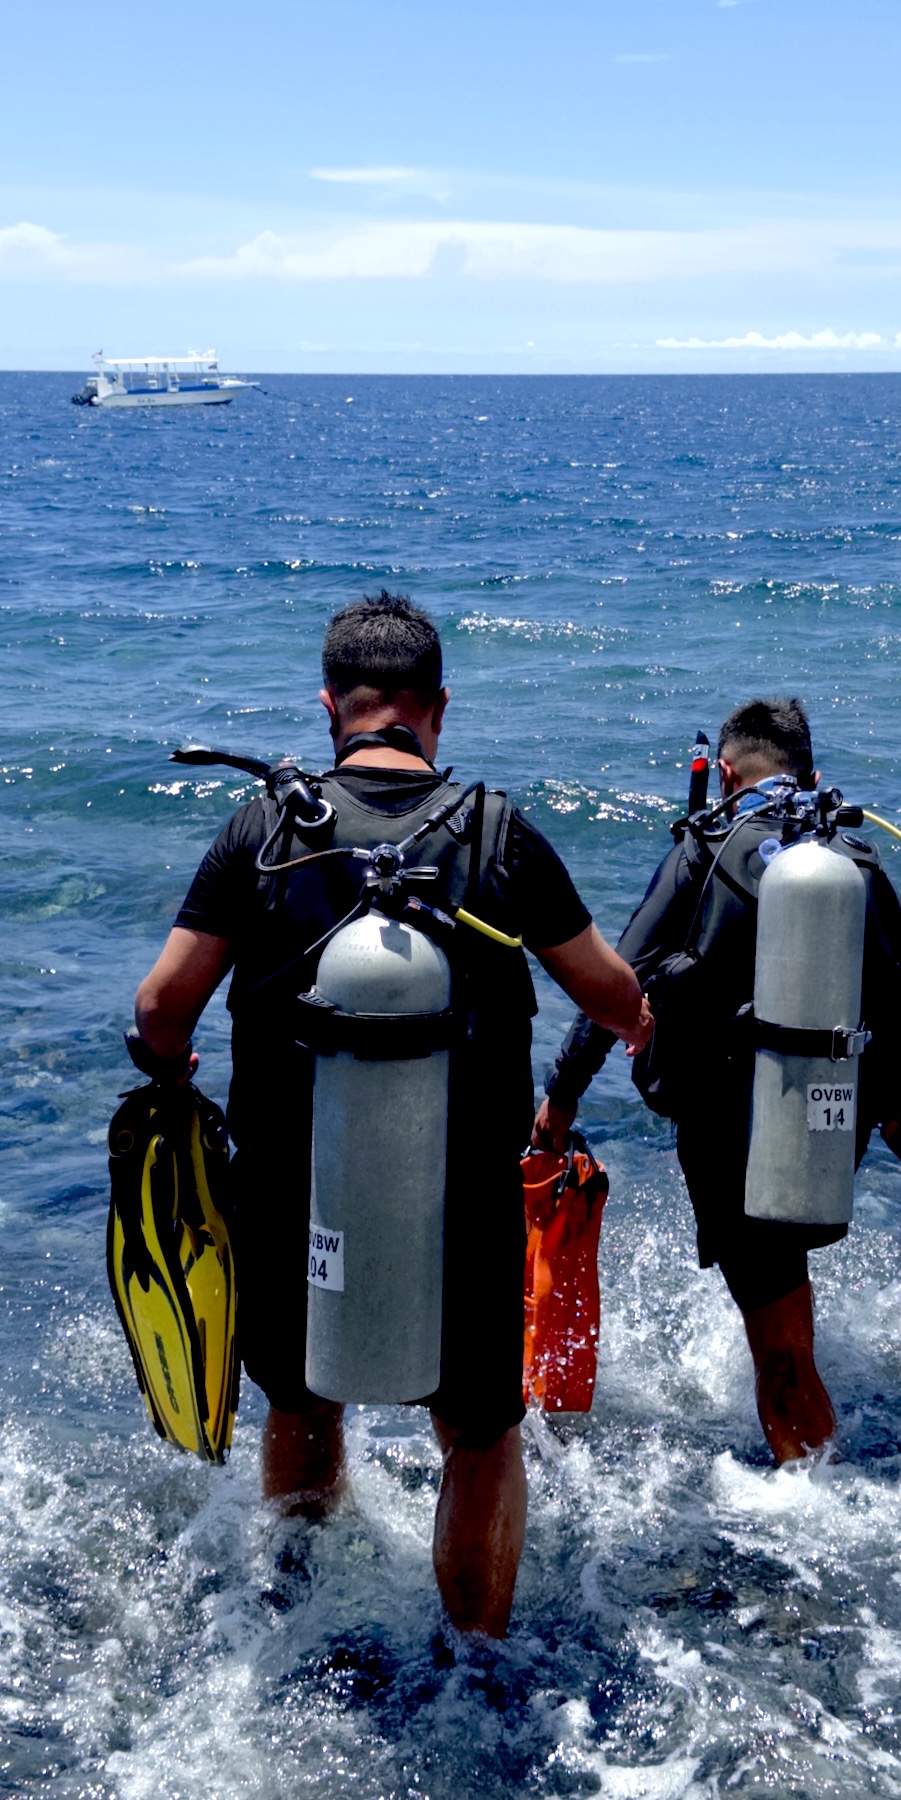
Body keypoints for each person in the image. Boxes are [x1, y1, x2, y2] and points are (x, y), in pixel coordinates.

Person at [130, 593, 649, 1638]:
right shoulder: (499, 835)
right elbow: (610, 996)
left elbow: (158, 1009)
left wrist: (174, 1073)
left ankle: (298, 1614)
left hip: (292, 1199)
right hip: (457, 1205)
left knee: (304, 1398)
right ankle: (477, 1658)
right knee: (476, 1427)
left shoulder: (260, 829)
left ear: (332, 707)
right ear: (437, 708)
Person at [533, 696, 901, 1464]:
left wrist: (560, 1095)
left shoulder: (705, 848)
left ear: (722, 772)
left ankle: (812, 1494)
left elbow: (615, 984)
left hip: (730, 1129)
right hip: (833, 1122)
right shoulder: (852, 859)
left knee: (778, 1342)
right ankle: (814, 1437)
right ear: (810, 775)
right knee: (780, 1285)